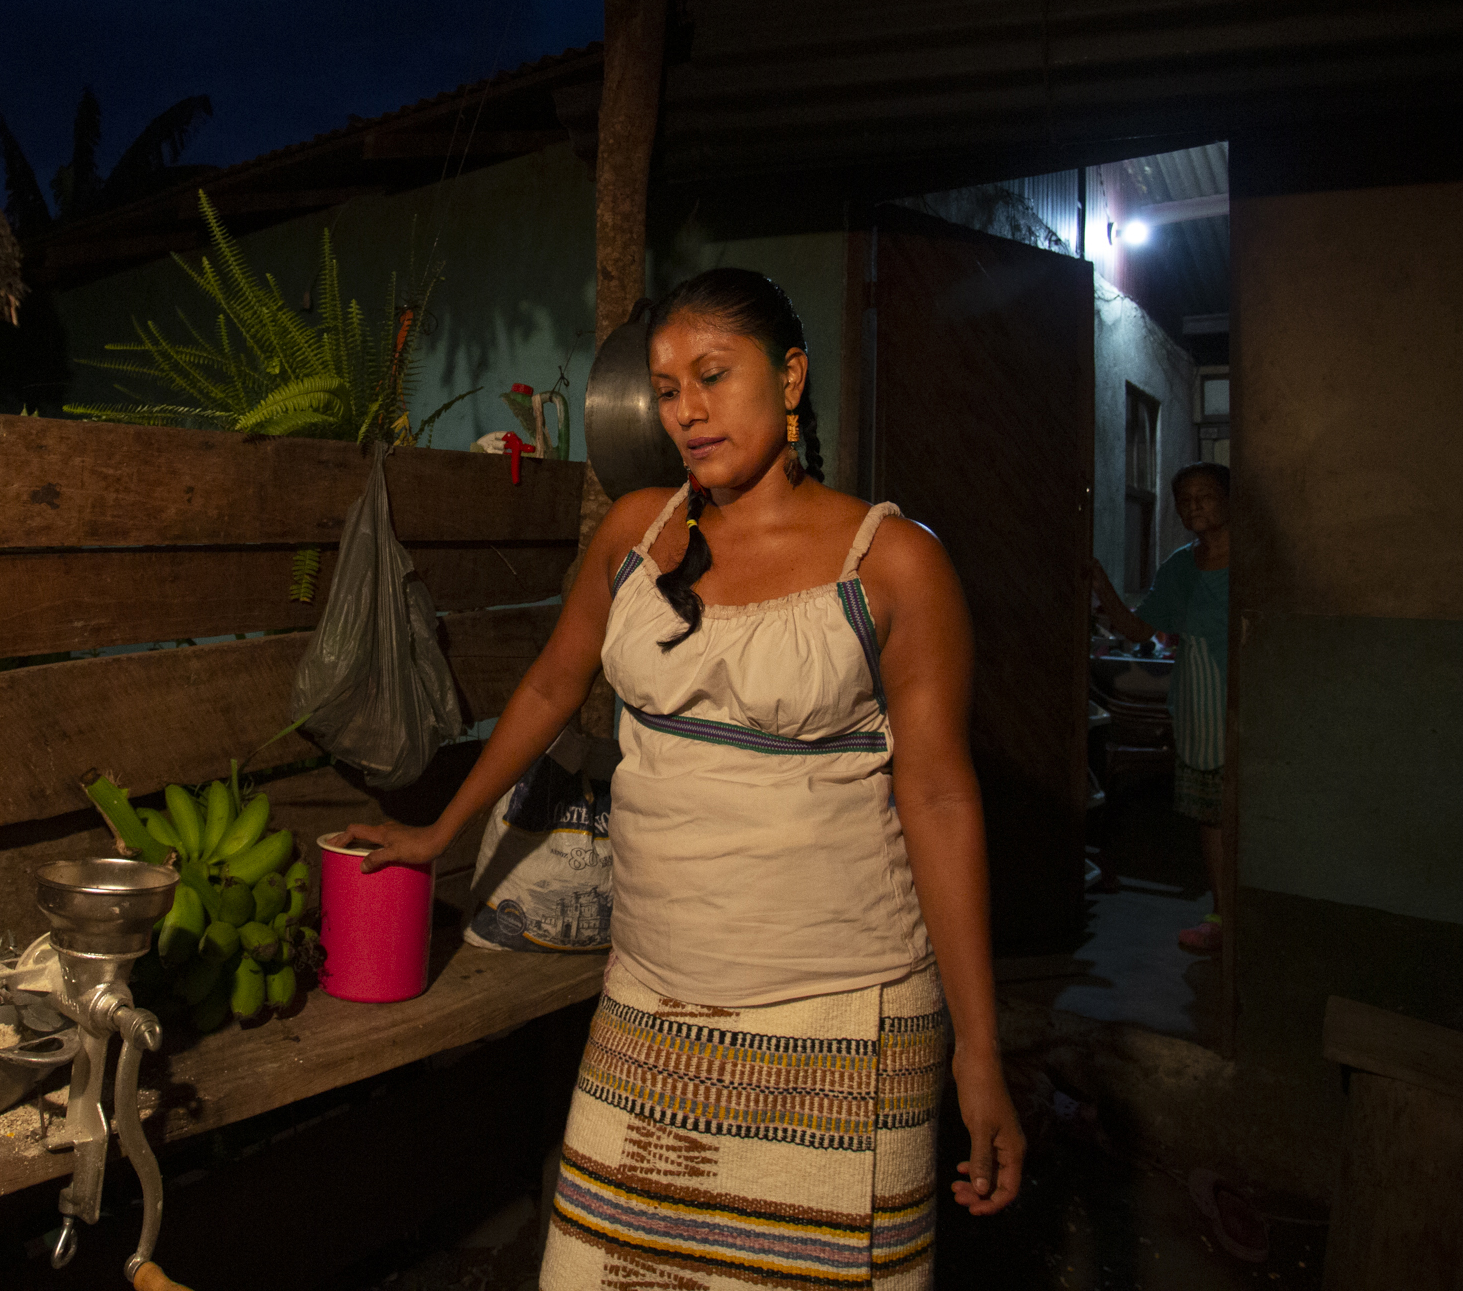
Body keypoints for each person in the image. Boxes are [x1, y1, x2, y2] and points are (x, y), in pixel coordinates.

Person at [347, 268, 1023, 1288]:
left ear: (790, 376)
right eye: (667, 389)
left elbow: (937, 798)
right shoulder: (638, 534)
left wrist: (980, 1046)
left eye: (714, 374)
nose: (688, 411)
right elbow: (548, 688)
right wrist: (441, 831)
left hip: (838, 1014)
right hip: (655, 996)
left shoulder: (890, 563)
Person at [1091, 462, 1231, 955]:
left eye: (1206, 496)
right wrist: (1100, 580)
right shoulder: (1179, 568)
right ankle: (1222, 917)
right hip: (1198, 709)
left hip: (1246, 711)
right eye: (1185, 498)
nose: (1194, 506)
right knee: (1211, 820)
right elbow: (1137, 629)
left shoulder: (1252, 564)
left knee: (1248, 817)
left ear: (1230, 501)